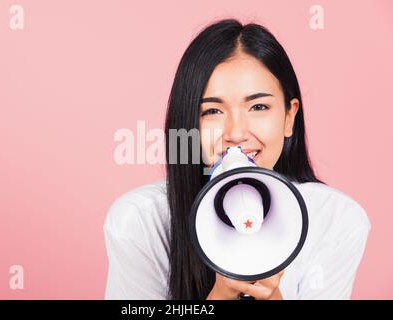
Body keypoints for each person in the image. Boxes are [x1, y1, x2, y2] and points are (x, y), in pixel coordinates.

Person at [103, 19, 370, 300]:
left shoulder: (337, 220)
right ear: (187, 124)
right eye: (212, 111)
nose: (236, 134)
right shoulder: (138, 222)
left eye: (258, 106)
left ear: (289, 117)